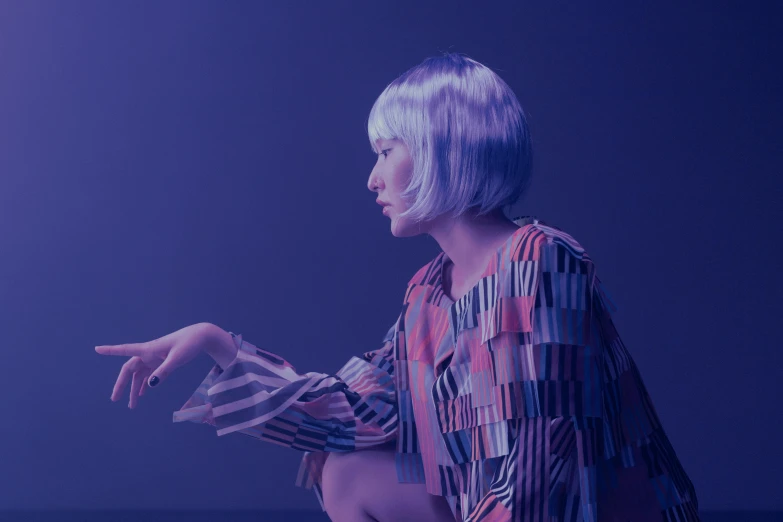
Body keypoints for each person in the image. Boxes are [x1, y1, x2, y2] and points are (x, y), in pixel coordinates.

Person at [95, 53, 701, 522]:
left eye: (386, 152)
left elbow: (547, 459)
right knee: (346, 469)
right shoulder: (429, 295)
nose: (372, 178)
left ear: (444, 149)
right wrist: (215, 342)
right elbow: (352, 412)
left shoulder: (542, 260)